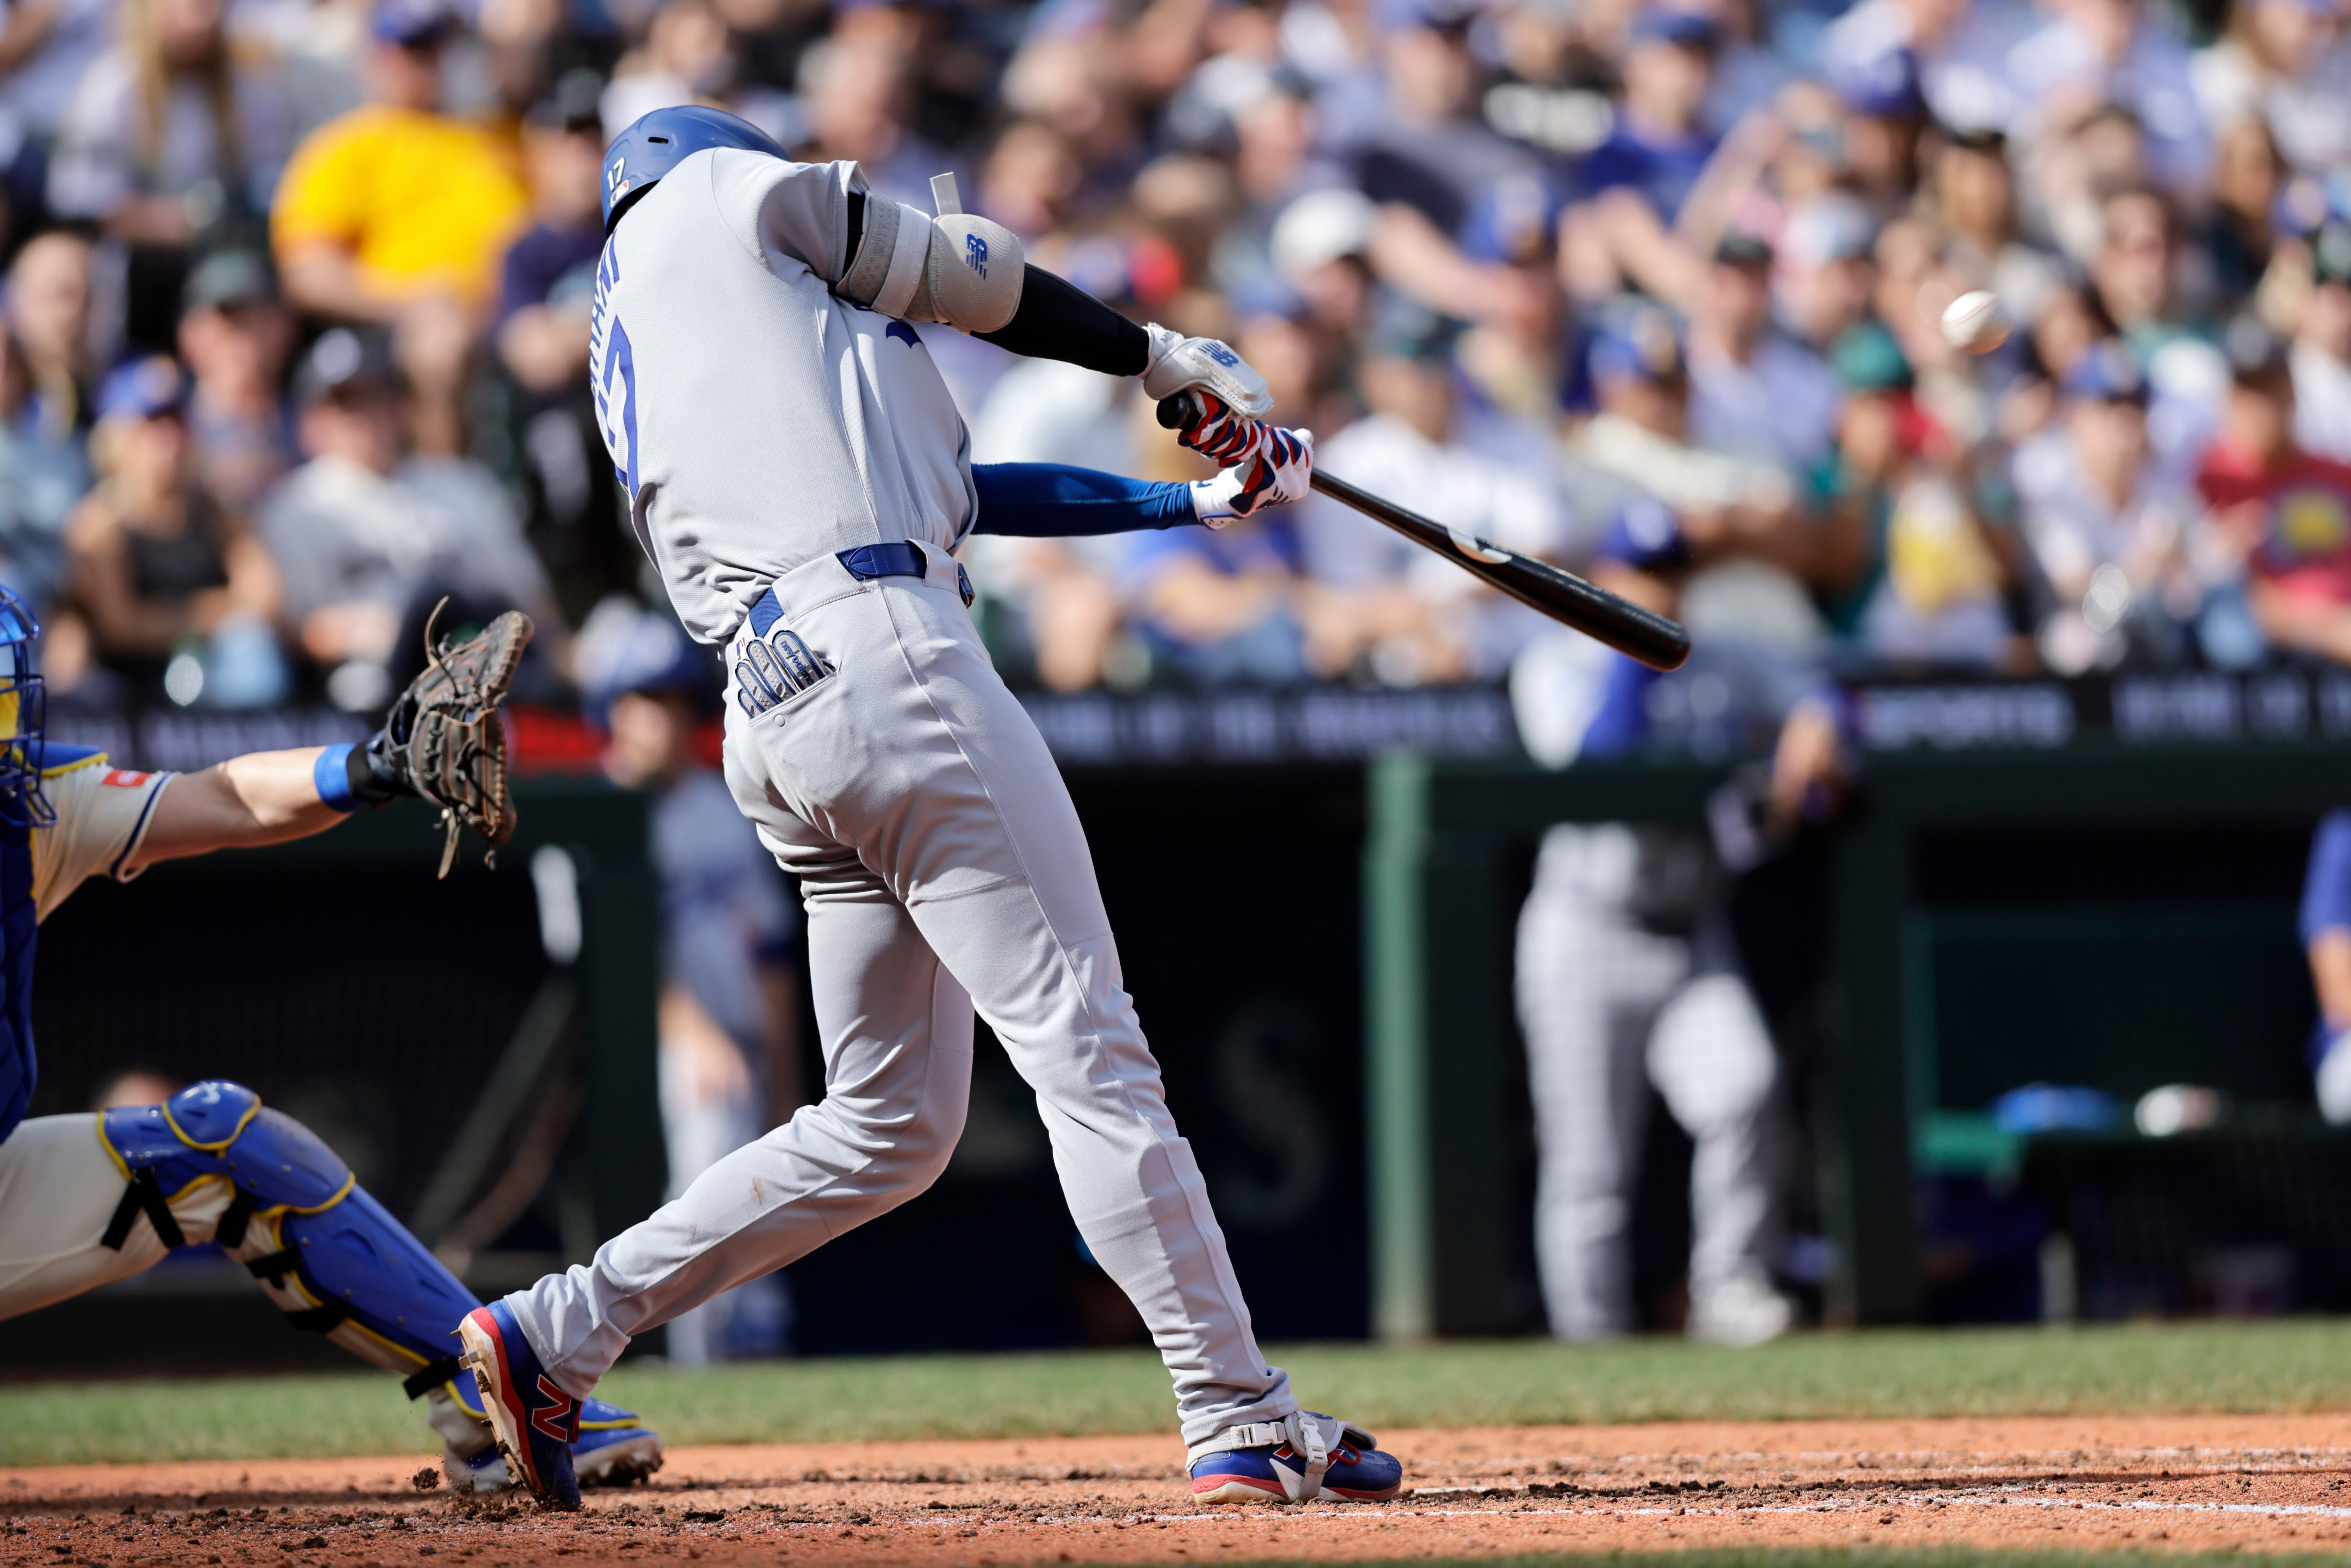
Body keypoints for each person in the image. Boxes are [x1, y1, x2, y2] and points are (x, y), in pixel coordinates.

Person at [454, 104, 1400, 1513]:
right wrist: (1157, 352)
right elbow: (968, 269)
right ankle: (1238, 1404)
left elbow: (960, 494)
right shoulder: (713, 190)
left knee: (890, 1120)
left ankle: (555, 1330)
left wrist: (1192, 504)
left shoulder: (696, 341)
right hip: (887, 660)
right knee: (1090, 1043)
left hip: (780, 704)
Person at [0, 584, 664, 1492]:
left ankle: (494, 1405)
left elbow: (226, 799)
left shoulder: (33, 810)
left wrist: (377, 764)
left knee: (224, 1145)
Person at [1508, 503, 1822, 1347]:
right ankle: (1592, 1338)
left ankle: (1731, 1287)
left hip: (1690, 932)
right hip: (1585, 930)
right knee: (1589, 1163)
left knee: (1747, 1088)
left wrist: (1817, 725)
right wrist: (1631, 651)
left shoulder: (1721, 658)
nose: (1659, 587)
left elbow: (1825, 695)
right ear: (1601, 576)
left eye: (1672, 570)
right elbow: (1598, 759)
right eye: (1638, 571)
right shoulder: (1556, 663)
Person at [579, 601, 801, 1364]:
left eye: (677, 703)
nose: (664, 722)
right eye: (646, 700)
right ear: (610, 709)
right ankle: (694, 1363)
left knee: (767, 1217)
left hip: (734, 1043)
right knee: (705, 1178)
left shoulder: (720, 804)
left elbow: (768, 952)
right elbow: (592, 954)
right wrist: (691, 1029)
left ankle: (742, 1373)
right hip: (639, 1055)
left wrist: (784, 1072)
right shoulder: (586, 812)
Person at [257, 327, 559, 709]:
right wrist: (386, 628)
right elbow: (292, 631)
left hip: (478, 675)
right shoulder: (295, 507)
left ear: (401, 405)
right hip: (367, 685)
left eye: (376, 395)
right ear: (310, 420)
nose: (364, 414)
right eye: (344, 401)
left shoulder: (462, 486)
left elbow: (529, 602)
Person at [62, 354, 286, 706]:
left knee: (251, 648)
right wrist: (210, 612)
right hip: (131, 685)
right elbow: (121, 626)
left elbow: (265, 600)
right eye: (152, 425)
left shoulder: (218, 513)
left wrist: (173, 619)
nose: (169, 442)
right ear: (118, 438)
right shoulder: (100, 523)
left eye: (177, 423)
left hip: (216, 671)